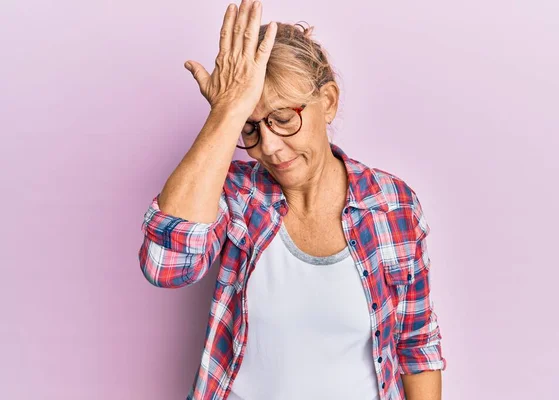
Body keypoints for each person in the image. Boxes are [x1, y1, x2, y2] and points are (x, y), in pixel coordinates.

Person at [138, 1, 447, 399]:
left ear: (329, 102)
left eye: (283, 118)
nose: (269, 146)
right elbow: (167, 266)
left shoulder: (392, 205)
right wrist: (226, 111)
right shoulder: (235, 196)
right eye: (250, 127)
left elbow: (416, 342)